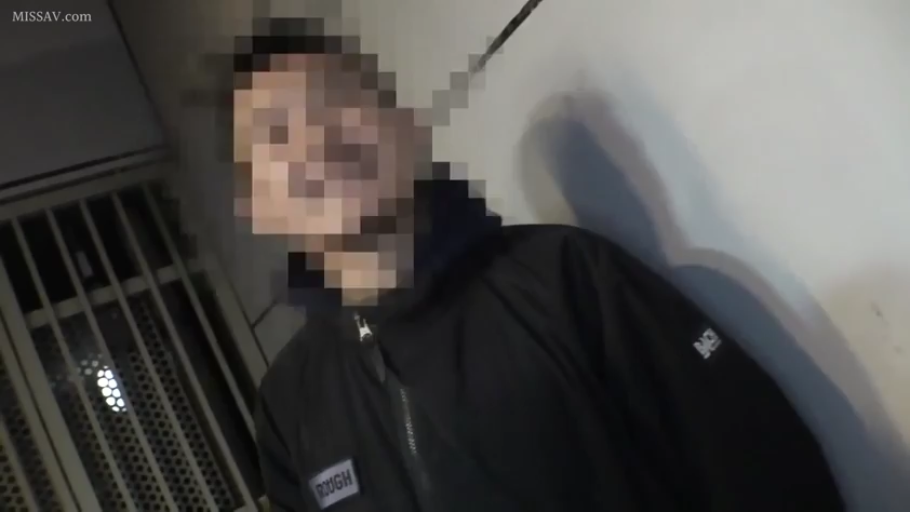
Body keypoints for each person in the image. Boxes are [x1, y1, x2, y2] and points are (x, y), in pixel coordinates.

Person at [232, 17, 844, 512]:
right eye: (276, 134)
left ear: (404, 128)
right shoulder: (289, 406)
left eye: (336, 102)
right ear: (257, 208)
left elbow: (765, 472)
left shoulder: (568, 278)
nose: (316, 141)